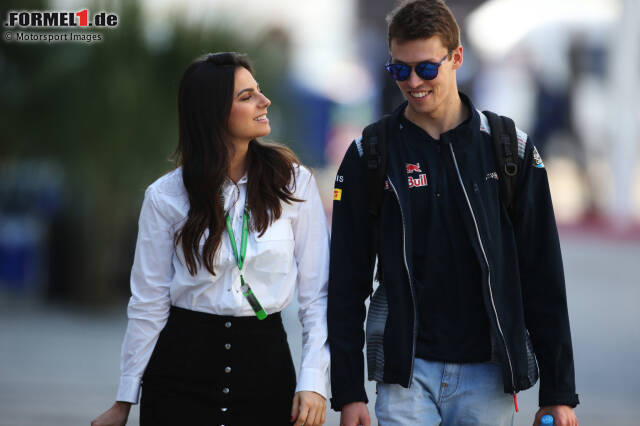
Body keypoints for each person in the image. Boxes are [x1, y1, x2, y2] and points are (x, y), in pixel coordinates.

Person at [327, 1, 579, 426]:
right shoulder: (369, 154)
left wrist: (558, 391)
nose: (412, 82)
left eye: (426, 68)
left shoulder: (509, 148)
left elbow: (543, 274)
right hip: (405, 375)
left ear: (456, 57)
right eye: (398, 70)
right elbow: (346, 282)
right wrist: (349, 390)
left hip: (488, 373)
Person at [91, 52, 329, 426]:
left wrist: (314, 381)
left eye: (259, 91)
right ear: (212, 112)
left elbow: (317, 297)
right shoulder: (165, 196)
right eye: (246, 96)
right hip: (178, 374)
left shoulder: (295, 184)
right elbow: (148, 302)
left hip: (265, 370)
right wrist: (125, 399)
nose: (264, 102)